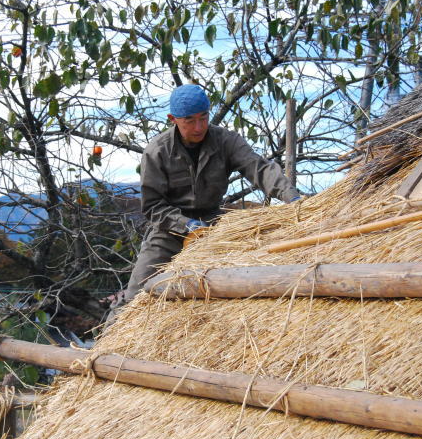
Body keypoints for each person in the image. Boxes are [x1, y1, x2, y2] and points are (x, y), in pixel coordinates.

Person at [120, 84, 301, 303]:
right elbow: (152, 207)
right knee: (137, 293)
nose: (199, 127)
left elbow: (259, 168)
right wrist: (187, 225)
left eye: (203, 118)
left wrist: (291, 196)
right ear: (173, 119)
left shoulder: (226, 141)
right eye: (190, 121)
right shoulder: (157, 151)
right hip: (169, 230)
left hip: (214, 225)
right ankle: (111, 332)